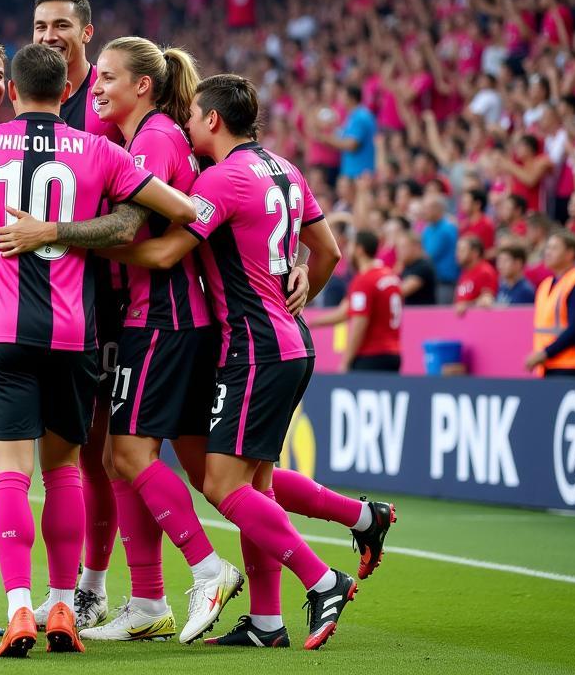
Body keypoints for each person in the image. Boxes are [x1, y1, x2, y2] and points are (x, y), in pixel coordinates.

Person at [42, 75, 387, 650]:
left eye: (195, 117)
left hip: (253, 346)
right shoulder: (286, 169)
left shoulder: (221, 180)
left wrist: (67, 240)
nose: (188, 125)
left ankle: (322, 579)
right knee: (255, 485)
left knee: (224, 485)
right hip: (287, 337)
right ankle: (272, 617)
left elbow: (161, 251)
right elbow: (325, 252)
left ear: (213, 122)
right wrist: (298, 290)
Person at [0, 43, 199, 658]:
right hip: (74, 335)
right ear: (69, 93)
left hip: (2, 331)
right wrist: (99, 217)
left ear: (12, 91)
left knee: (10, 471)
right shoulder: (101, 150)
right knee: (64, 469)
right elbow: (184, 207)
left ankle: (17, 610)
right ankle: (63, 602)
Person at [39, 36, 223, 643]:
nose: (96, 88)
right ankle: (147, 602)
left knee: (131, 456)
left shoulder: (154, 139)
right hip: (150, 316)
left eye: (108, 78)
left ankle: (207, 567)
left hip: (164, 317)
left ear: (142, 85)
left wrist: (56, 234)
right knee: (132, 461)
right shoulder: (144, 137)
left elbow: (127, 224)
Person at [31, 0, 123, 630]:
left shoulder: (109, 105)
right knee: (51, 455)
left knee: (102, 455)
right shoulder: (30, 104)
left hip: (109, 308)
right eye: (40, 25)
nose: (49, 35)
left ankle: (95, 587)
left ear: (86, 33)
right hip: (36, 311)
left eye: (61, 25)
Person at [310, 230, 402, 372]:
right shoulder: (390, 276)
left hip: (372, 356)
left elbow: (359, 322)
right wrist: (310, 323)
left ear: (359, 250)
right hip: (393, 354)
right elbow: (344, 312)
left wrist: (345, 361)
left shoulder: (364, 280)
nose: (347, 251)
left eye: (350, 246)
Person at [524, 229, 575, 377]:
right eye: (547, 248)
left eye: (554, 248)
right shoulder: (545, 285)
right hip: (547, 366)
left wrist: (546, 353)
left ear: (570, 253)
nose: (547, 253)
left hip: (571, 367)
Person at [323, 85, 377, 179]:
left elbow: (351, 145)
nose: (340, 98)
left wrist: (324, 138)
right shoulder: (353, 116)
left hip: (360, 173)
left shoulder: (360, 116)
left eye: (343, 95)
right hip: (353, 171)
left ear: (351, 98)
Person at [421, 194, 459, 304]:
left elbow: (429, 255)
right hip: (433, 281)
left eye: (427, 208)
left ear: (438, 209)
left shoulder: (447, 229)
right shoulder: (428, 228)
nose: (424, 212)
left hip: (445, 282)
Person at [453, 235, 498, 315]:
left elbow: (486, 301)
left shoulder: (485, 272)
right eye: (457, 250)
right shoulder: (465, 272)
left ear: (475, 253)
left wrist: (466, 306)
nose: (457, 254)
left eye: (462, 250)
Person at [397, 228, 437, 306]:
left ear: (416, 247)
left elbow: (402, 291)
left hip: (423, 315)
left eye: (403, 247)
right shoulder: (408, 265)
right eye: (398, 248)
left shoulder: (423, 266)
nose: (399, 252)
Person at [458, 188, 495, 256]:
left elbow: (488, 251)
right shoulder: (464, 224)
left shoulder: (486, 225)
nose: (462, 205)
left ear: (477, 204)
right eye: (462, 202)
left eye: (466, 202)